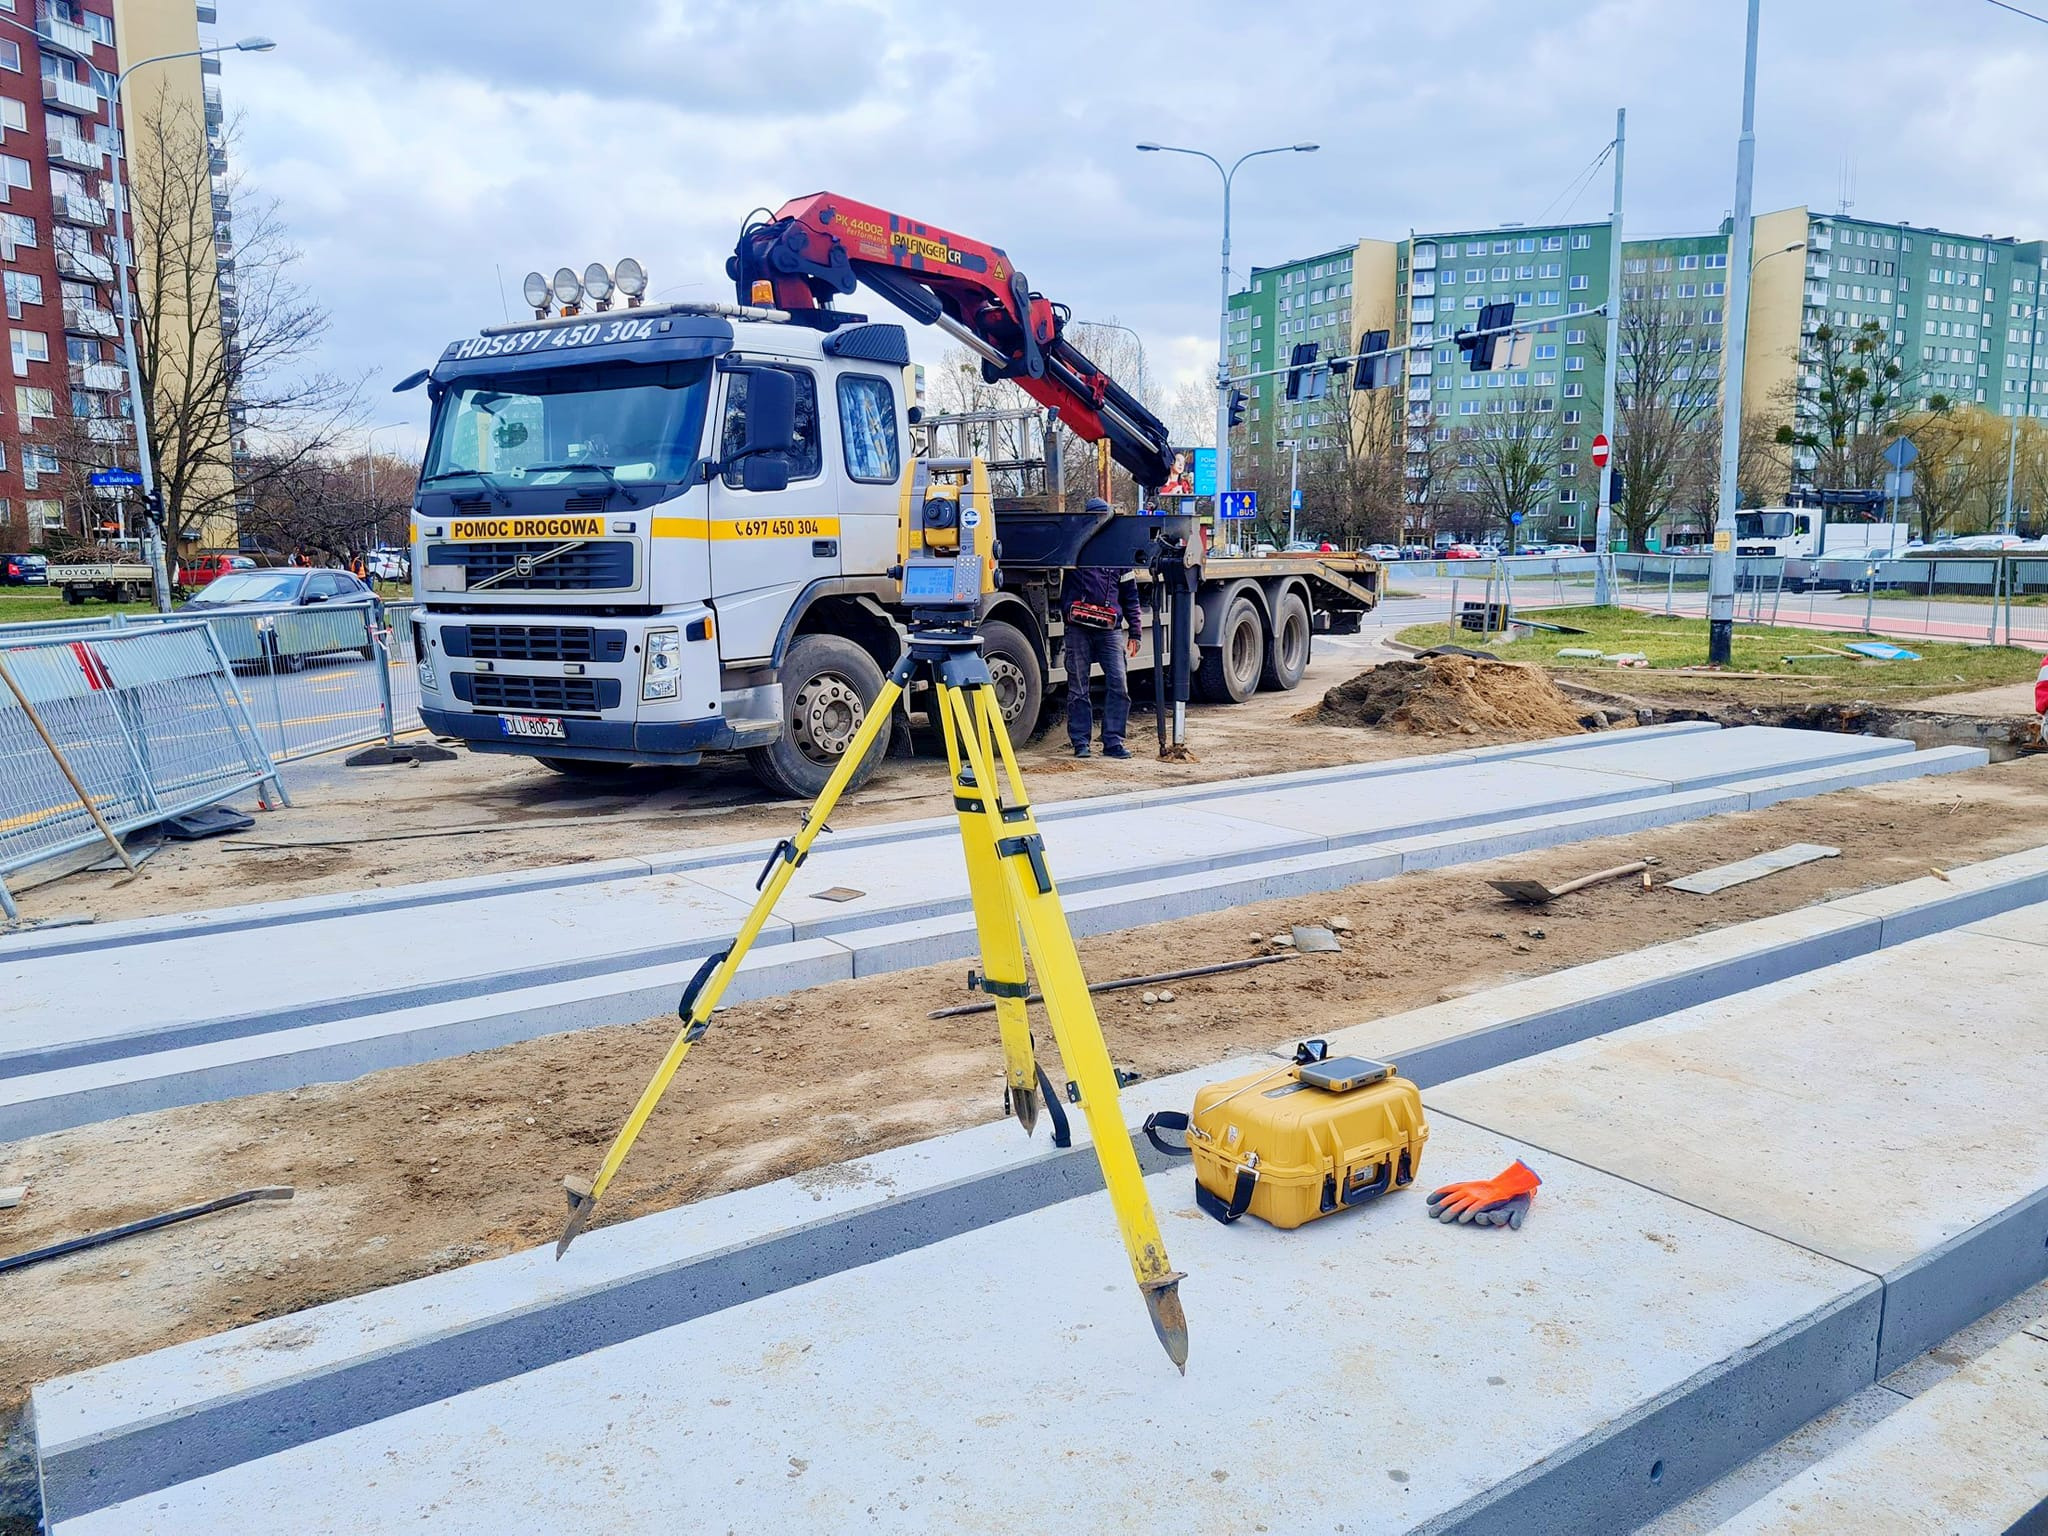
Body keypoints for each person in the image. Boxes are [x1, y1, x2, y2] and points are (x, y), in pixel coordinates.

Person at [1060, 498, 1144, 759]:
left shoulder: (1118, 553)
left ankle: (1113, 741)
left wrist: (1136, 631)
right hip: (1078, 628)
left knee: (1119, 683)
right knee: (1078, 687)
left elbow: (1130, 595)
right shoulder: (1074, 548)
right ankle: (1081, 742)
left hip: (1109, 629)